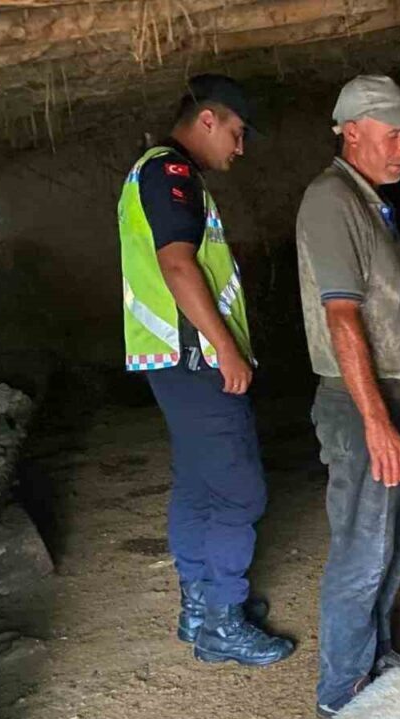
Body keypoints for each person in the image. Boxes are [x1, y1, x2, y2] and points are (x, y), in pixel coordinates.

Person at [117, 74, 293, 667]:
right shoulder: (171, 173)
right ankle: (222, 619)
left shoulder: (153, 171)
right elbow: (177, 265)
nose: (239, 149)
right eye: (237, 133)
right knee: (240, 489)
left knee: (198, 482)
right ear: (209, 120)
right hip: (194, 356)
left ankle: (198, 607)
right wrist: (226, 348)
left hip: (170, 358)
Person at [295, 76, 400, 719]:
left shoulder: (368, 201)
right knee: (363, 549)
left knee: (392, 543)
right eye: (396, 134)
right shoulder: (331, 201)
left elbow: (384, 316)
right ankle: (341, 694)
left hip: (386, 397)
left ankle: (374, 658)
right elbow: (344, 319)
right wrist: (378, 419)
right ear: (353, 130)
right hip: (358, 407)